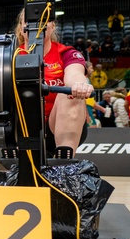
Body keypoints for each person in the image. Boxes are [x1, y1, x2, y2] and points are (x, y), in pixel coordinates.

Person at [14, 9, 92, 157]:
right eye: (29, 21)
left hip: (54, 128)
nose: (37, 26)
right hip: (20, 130)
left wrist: (79, 84)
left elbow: (75, 74)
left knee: (68, 92)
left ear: (53, 25)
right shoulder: (11, 56)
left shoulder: (66, 53)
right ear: (21, 27)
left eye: (43, 21)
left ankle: (63, 165)